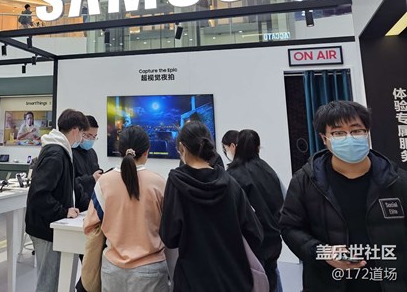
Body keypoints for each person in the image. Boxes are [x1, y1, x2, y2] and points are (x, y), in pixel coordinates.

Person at [280, 101, 407, 292]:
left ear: (367, 133)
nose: (349, 137)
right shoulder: (305, 182)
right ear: (324, 138)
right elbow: (290, 228)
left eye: (356, 131)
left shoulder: (397, 180)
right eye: (338, 133)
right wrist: (323, 252)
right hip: (328, 283)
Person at [160, 121, 263, 291]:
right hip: (233, 280)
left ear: (182, 148)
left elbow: (169, 237)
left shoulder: (176, 183)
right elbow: (255, 234)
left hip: (192, 281)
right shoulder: (230, 183)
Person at [84, 126, 168, 292]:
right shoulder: (158, 183)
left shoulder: (104, 182)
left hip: (112, 269)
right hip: (151, 270)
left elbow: (90, 225)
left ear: (120, 150)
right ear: (147, 151)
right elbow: (169, 227)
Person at [25, 109, 88, 292]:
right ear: (75, 130)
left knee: (57, 280)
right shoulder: (56, 153)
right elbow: (38, 194)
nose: (82, 138)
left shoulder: (63, 151)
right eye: (83, 133)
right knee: (49, 283)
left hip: (51, 226)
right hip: (45, 228)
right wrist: (63, 211)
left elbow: (72, 186)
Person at [226, 129, 284, 292]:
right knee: (272, 278)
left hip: (251, 243)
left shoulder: (233, 175)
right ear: (258, 147)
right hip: (274, 238)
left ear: (236, 147)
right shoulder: (268, 170)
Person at [73, 115, 101, 211]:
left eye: (94, 137)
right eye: (89, 136)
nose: (91, 140)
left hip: (91, 204)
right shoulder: (70, 153)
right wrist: (91, 179)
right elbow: (70, 183)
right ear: (80, 132)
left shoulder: (92, 153)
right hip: (76, 206)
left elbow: (96, 173)